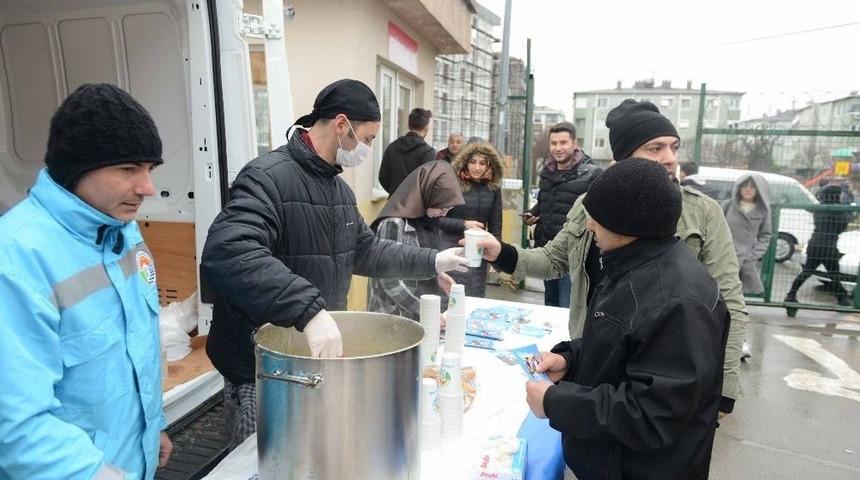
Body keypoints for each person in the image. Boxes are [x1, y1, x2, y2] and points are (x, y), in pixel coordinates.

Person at [200, 79, 468, 449]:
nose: (369, 150)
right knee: (260, 459)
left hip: (310, 358)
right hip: (260, 366)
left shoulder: (338, 191)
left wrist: (434, 259)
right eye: (369, 139)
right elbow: (229, 250)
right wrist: (308, 310)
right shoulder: (267, 177)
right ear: (341, 125)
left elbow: (367, 250)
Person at [476, 99, 747, 417]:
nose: (670, 158)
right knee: (588, 447)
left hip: (657, 376)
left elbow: (728, 302)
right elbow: (553, 258)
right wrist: (502, 253)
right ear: (624, 159)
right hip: (590, 356)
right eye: (655, 148)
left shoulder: (702, 212)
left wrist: (723, 389)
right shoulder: (588, 206)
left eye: (674, 147)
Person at [0, 84, 171, 479]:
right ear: (77, 169)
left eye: (150, 169)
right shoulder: (17, 260)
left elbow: (136, 347)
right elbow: (15, 425)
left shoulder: (121, 231)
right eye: (128, 169)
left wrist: (152, 425)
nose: (146, 187)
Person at [525, 159, 730, 480]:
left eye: (597, 218)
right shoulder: (632, 267)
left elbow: (652, 413)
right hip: (611, 463)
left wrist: (557, 403)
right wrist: (569, 358)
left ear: (627, 223)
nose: (590, 226)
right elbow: (622, 344)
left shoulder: (678, 302)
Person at [368, 161, 466, 319]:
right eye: (442, 208)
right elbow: (389, 281)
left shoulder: (425, 219)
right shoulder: (394, 223)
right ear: (428, 194)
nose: (444, 214)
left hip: (411, 314)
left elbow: (414, 260)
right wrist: (424, 309)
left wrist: (437, 274)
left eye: (448, 210)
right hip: (389, 319)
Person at [523, 121, 602, 307]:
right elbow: (545, 202)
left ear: (575, 144)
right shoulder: (547, 173)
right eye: (554, 143)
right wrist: (534, 213)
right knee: (550, 305)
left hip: (575, 256)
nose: (558, 148)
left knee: (567, 308)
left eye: (563, 142)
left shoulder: (592, 174)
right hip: (547, 250)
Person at [439, 142, 504, 297]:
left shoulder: (493, 188)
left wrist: (497, 259)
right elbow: (437, 220)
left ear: (490, 165)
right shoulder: (452, 184)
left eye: (482, 163)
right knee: (451, 298)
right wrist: (464, 224)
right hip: (452, 250)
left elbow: (496, 224)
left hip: (478, 253)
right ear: (465, 162)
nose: (477, 168)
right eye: (473, 162)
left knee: (475, 298)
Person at [785, 184, 854, 306]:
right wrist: (847, 204)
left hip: (815, 244)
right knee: (834, 274)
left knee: (807, 271)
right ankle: (842, 299)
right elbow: (844, 223)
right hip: (828, 247)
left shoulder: (819, 208)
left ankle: (791, 294)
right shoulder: (838, 211)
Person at [723, 174, 772, 295]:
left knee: (739, 300)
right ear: (738, 188)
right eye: (744, 185)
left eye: (753, 186)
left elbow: (765, 236)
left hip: (746, 263)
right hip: (724, 260)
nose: (748, 189)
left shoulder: (763, 211)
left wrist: (752, 256)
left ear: (759, 190)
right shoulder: (727, 206)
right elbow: (715, 229)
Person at [378, 107, 435, 194]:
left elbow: (383, 178)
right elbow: (427, 183)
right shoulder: (428, 152)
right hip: (416, 205)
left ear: (408, 125)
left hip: (393, 203)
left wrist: (396, 193)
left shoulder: (392, 147)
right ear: (426, 127)